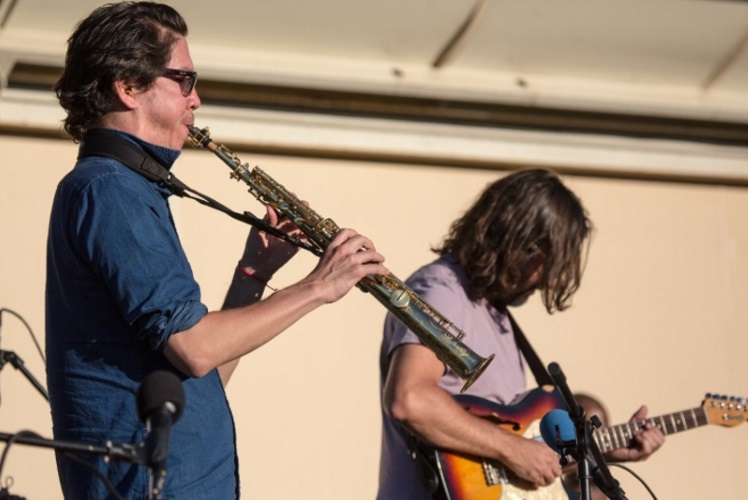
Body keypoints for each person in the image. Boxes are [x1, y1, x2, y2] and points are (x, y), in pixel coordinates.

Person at [46, 2, 387, 498]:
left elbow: (197, 377)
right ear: (128, 86)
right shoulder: (109, 190)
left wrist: (252, 276)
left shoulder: (124, 190)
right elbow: (196, 348)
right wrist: (319, 286)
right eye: (184, 79)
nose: (197, 99)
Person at [378, 169, 665, 499]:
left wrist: (600, 457)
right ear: (520, 242)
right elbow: (409, 399)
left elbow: (507, 456)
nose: (550, 281)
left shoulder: (493, 312)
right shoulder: (442, 292)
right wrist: (512, 449)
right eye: (549, 262)